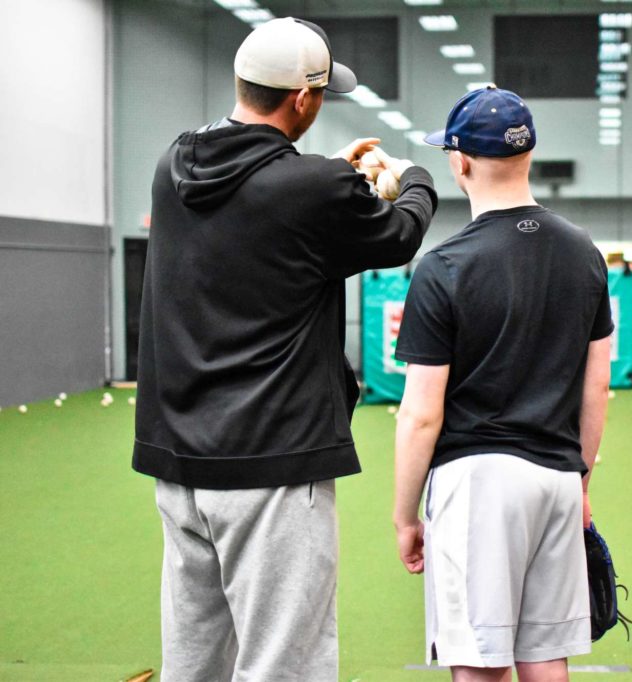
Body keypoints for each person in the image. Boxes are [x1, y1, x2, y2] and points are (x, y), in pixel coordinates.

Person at [131, 18, 437, 681]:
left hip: (180, 464)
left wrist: (337, 182)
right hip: (271, 462)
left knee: (194, 665)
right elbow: (400, 233)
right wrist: (411, 179)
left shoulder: (173, 165)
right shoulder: (314, 187)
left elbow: (268, 214)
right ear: (302, 99)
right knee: (282, 667)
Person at [391, 86, 612, 682]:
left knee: (479, 664)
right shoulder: (585, 253)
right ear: (529, 155)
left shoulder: (444, 265)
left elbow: (420, 415)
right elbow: (597, 389)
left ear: (459, 162)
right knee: (545, 657)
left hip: (478, 482)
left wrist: (403, 514)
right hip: (558, 479)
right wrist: (581, 479)